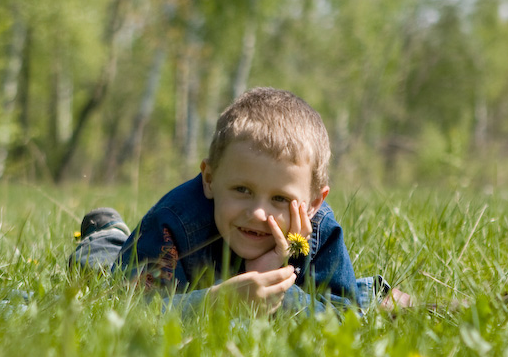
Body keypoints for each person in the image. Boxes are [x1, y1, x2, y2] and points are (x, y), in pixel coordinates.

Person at [70, 87, 409, 314]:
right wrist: (218, 302)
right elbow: (133, 311)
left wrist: (272, 281)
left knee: (362, 301)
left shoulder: (319, 229)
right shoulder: (173, 223)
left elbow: (343, 314)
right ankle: (105, 237)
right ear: (210, 179)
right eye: (242, 190)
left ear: (313, 204)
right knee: (103, 273)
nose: (259, 213)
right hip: (148, 259)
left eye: (280, 198)